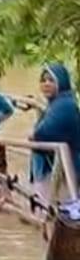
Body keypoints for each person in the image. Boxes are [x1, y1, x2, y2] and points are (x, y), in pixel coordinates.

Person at [30, 63, 80, 207]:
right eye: (43, 80)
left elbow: (42, 134)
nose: (46, 84)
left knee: (59, 210)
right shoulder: (58, 102)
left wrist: (32, 134)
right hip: (65, 166)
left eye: (52, 80)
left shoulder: (65, 105)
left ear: (62, 82)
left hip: (68, 168)